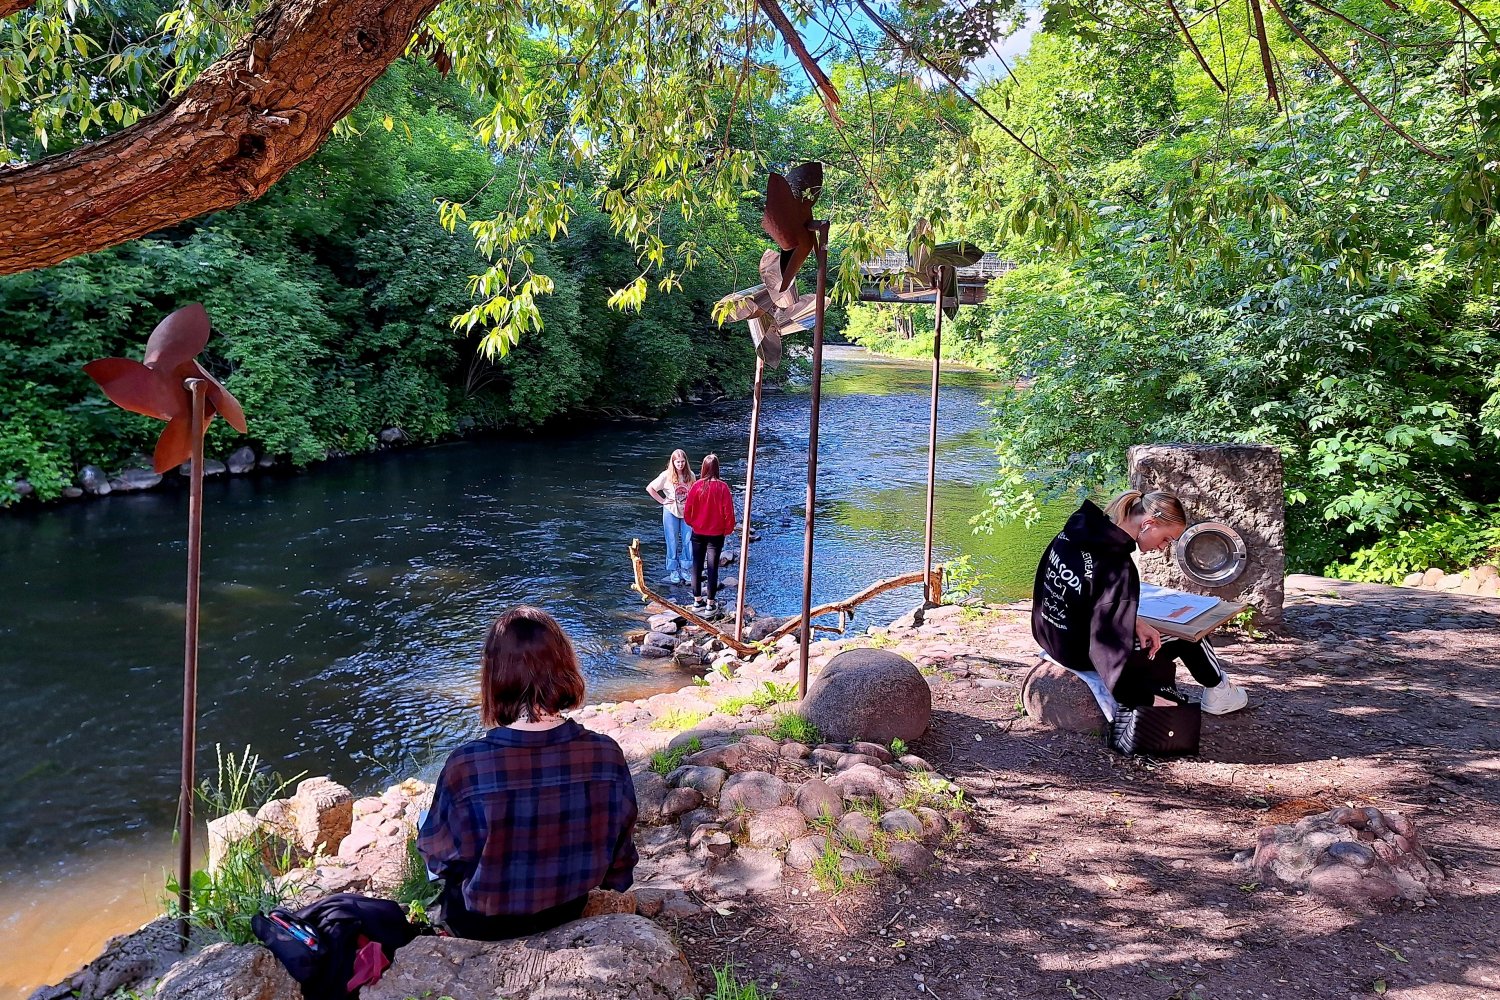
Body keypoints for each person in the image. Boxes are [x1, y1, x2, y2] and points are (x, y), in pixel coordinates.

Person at [417, 607, 638, 940]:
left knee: (428, 824)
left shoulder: (467, 765)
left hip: (481, 922)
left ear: (494, 676)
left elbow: (442, 860)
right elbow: (620, 860)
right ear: (565, 666)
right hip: (566, 906)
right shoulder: (606, 754)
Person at [1031, 488, 1249, 715]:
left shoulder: (1074, 532)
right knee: (1190, 631)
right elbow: (1106, 648)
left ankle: (1219, 689)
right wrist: (1142, 698)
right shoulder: (1117, 566)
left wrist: (1133, 620)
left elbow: (1062, 588)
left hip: (1051, 636)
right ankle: (1220, 691)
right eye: (1166, 539)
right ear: (1148, 523)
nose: (1163, 547)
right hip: (1077, 652)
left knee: (1157, 627)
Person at [682, 453, 736, 615]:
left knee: (696, 567)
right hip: (716, 534)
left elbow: (687, 512)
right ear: (717, 468)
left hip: (698, 532)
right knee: (712, 568)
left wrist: (694, 523)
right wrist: (727, 530)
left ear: (704, 468)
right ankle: (710, 605)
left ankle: (697, 601)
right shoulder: (723, 487)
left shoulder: (696, 486)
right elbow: (729, 513)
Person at [646, 449, 696, 584]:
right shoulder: (665, 476)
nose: (680, 464)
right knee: (672, 540)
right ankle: (674, 569)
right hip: (671, 512)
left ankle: (685, 568)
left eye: (682, 462)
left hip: (687, 513)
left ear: (686, 462)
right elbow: (650, 488)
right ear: (672, 462)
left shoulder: (690, 475)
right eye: (677, 462)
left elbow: (694, 493)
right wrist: (662, 501)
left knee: (688, 540)